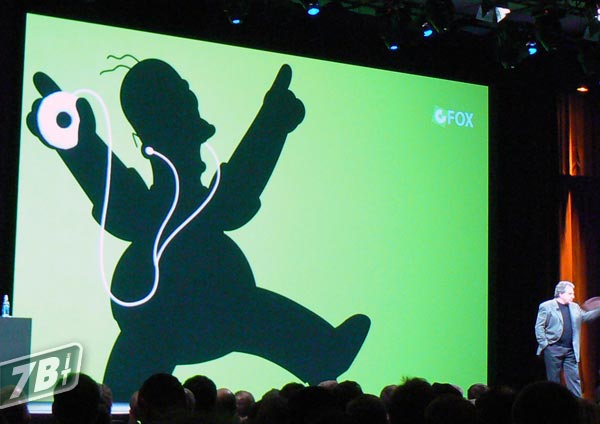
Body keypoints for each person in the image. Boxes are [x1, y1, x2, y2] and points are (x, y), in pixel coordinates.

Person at [535, 280, 600, 397]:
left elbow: (585, 317)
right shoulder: (546, 306)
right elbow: (539, 327)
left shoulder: (574, 307)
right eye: (570, 293)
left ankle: (578, 404)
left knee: (574, 380)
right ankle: (555, 403)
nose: (573, 296)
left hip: (570, 350)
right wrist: (545, 344)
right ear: (561, 294)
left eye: (573, 293)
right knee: (554, 381)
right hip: (553, 348)